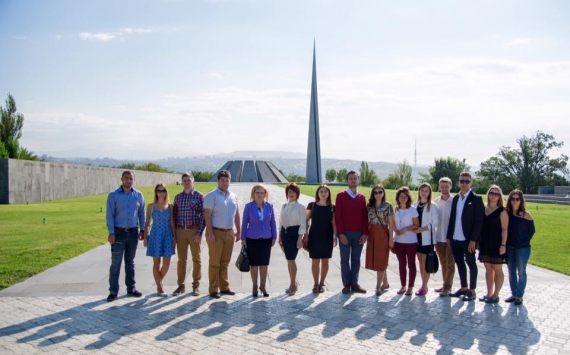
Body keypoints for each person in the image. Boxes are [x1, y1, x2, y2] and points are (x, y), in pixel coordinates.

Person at [105, 171, 145, 302]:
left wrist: (143, 229)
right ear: (121, 179)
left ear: (134, 180)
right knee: (116, 263)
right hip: (118, 233)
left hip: (133, 233)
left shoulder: (138, 195)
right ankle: (113, 291)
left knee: (130, 262)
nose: (128, 180)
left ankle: (131, 288)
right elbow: (109, 215)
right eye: (126, 178)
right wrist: (111, 232)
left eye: (131, 178)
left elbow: (141, 214)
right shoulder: (113, 195)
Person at [446, 172, 484, 302]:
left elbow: (479, 221)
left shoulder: (476, 199)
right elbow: (452, 218)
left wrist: (474, 239)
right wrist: (448, 236)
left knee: (471, 263)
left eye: (467, 181)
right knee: (459, 263)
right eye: (462, 181)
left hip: (468, 240)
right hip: (455, 238)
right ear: (458, 182)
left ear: (471, 183)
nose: (464, 183)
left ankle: (472, 290)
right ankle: (463, 287)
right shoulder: (456, 198)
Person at [204, 170, 241, 299]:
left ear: (230, 181)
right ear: (218, 181)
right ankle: (213, 289)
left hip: (229, 232)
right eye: (222, 180)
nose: (225, 183)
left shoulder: (233, 196)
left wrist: (239, 231)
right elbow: (207, 215)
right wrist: (210, 233)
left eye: (227, 180)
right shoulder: (211, 196)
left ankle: (224, 287)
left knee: (225, 262)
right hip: (216, 232)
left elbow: (236, 214)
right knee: (215, 262)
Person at [335, 171, 369, 294]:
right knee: (344, 259)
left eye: (355, 178)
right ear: (347, 181)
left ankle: (355, 284)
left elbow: (365, 217)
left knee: (356, 259)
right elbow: (338, 216)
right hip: (345, 234)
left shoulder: (362, 197)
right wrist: (341, 233)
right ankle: (346, 284)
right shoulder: (341, 196)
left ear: (358, 180)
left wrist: (365, 233)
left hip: (359, 234)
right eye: (351, 178)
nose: (353, 180)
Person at [173, 173, 206, 296]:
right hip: (181, 230)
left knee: (196, 259)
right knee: (181, 260)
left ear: (193, 182)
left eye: (189, 180)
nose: (187, 182)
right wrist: (174, 234)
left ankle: (196, 285)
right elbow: (175, 216)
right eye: (184, 180)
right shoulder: (178, 197)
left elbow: (203, 217)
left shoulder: (199, 196)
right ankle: (180, 285)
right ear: (181, 182)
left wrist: (199, 233)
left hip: (194, 231)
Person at [241, 184, 277, 297]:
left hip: (266, 238)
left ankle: (263, 286)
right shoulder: (249, 206)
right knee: (254, 264)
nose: (260, 195)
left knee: (264, 264)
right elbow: (244, 222)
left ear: (265, 194)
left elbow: (273, 222)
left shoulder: (269, 206)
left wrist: (274, 236)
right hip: (252, 238)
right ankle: (255, 286)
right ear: (253, 194)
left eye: (262, 193)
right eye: (258, 193)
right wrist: (243, 238)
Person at [143, 183, 176, 297]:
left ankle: (158, 282)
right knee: (156, 263)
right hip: (155, 234)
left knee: (166, 263)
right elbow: (147, 223)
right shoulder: (151, 206)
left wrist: (174, 238)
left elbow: (172, 222)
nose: (161, 192)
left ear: (166, 192)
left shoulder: (170, 206)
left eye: (163, 190)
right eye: (159, 190)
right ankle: (160, 287)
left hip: (167, 234)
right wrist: (145, 237)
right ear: (156, 192)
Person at [477, 185, 508, 303]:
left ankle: (496, 295)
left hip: (497, 243)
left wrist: (503, 245)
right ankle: (489, 293)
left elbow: (505, 229)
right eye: (491, 193)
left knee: (498, 269)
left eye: (496, 194)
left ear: (499, 196)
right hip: (485, 243)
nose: (493, 196)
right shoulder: (484, 208)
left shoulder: (502, 211)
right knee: (488, 269)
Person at [304, 184, 337, 294]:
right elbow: (306, 220)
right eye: (321, 191)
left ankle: (322, 283)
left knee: (325, 261)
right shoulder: (312, 205)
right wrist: (305, 234)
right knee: (315, 261)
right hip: (314, 235)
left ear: (328, 194)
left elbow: (334, 223)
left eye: (325, 192)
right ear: (318, 193)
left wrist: (335, 237)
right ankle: (315, 283)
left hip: (327, 235)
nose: (323, 193)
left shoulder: (332, 207)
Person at [505, 189, 535, 306]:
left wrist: (523, 241)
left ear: (521, 200)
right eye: (513, 199)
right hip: (509, 247)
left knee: (521, 272)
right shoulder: (507, 213)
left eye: (517, 199)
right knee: (511, 271)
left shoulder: (526, 215)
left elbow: (531, 231)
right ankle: (514, 293)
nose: (515, 201)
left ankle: (519, 295)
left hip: (522, 249)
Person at [365, 184, 394, 296]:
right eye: (375, 192)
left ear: (383, 193)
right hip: (372, 233)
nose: (378, 194)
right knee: (377, 259)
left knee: (381, 260)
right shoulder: (370, 206)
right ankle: (385, 283)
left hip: (382, 234)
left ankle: (378, 286)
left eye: (380, 192)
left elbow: (391, 224)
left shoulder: (388, 206)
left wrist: (391, 239)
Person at [412, 183, 440, 296]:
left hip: (427, 238)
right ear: (419, 191)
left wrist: (423, 229)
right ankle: (423, 283)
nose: (424, 192)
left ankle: (424, 286)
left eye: (426, 191)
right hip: (416, 238)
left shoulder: (432, 206)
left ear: (429, 193)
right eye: (422, 190)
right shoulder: (415, 205)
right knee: (420, 262)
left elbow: (436, 222)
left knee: (425, 262)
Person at [279, 182, 306, 296]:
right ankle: (292, 282)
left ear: (297, 194)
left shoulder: (300, 207)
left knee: (291, 259)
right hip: (284, 234)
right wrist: (280, 236)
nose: (291, 194)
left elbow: (302, 224)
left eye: (293, 192)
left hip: (294, 234)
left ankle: (293, 285)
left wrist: (300, 238)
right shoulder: (284, 206)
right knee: (288, 260)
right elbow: (280, 222)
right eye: (289, 192)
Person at [393, 186, 419, 296]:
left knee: (411, 264)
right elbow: (393, 223)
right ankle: (403, 285)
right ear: (398, 198)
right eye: (401, 196)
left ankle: (410, 286)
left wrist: (405, 229)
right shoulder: (395, 209)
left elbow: (416, 225)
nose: (403, 199)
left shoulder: (412, 210)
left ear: (408, 198)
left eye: (405, 197)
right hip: (399, 241)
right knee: (401, 264)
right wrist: (395, 230)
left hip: (411, 241)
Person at [433, 177, 455, 297]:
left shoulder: (454, 201)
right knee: (443, 262)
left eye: (446, 186)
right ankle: (444, 283)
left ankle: (448, 287)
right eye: (442, 186)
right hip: (438, 237)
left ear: (450, 187)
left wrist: (451, 237)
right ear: (439, 187)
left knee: (451, 263)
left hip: (450, 238)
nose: (444, 189)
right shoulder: (436, 201)